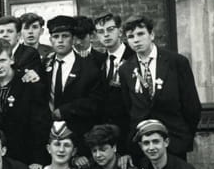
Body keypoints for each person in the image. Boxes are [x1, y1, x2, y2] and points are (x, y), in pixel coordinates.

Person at [118, 15, 201, 160]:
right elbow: (127, 107)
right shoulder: (125, 69)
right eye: (131, 36)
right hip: (141, 145)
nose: (136, 40)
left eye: (140, 34)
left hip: (173, 141)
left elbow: (192, 105)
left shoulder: (177, 62)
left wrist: (186, 136)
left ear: (151, 35)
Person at [0, 39, 50, 167]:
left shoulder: (29, 84)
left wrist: (37, 159)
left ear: (11, 59)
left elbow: (40, 125)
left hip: (23, 155)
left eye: (2, 60)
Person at [43, 15, 105, 153]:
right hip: (50, 135)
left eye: (65, 36)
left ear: (73, 39)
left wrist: (64, 111)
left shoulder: (88, 67)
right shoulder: (45, 65)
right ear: (50, 40)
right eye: (56, 36)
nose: (60, 40)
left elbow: (95, 102)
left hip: (78, 134)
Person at [94, 13, 135, 152]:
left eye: (110, 29)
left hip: (131, 134)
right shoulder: (99, 61)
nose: (106, 34)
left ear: (120, 31)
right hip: (108, 137)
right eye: (101, 31)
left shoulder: (134, 57)